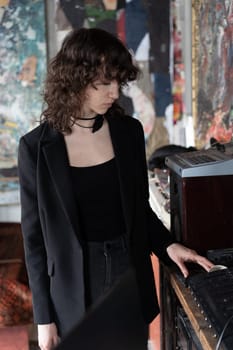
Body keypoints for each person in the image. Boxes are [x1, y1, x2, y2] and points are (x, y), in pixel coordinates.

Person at [18, 28, 213, 350]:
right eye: (104, 83)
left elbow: (139, 209)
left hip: (128, 272)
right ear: (76, 79)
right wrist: (43, 318)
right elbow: (34, 241)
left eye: (118, 83)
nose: (114, 93)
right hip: (73, 286)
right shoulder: (35, 149)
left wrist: (168, 246)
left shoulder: (128, 132)